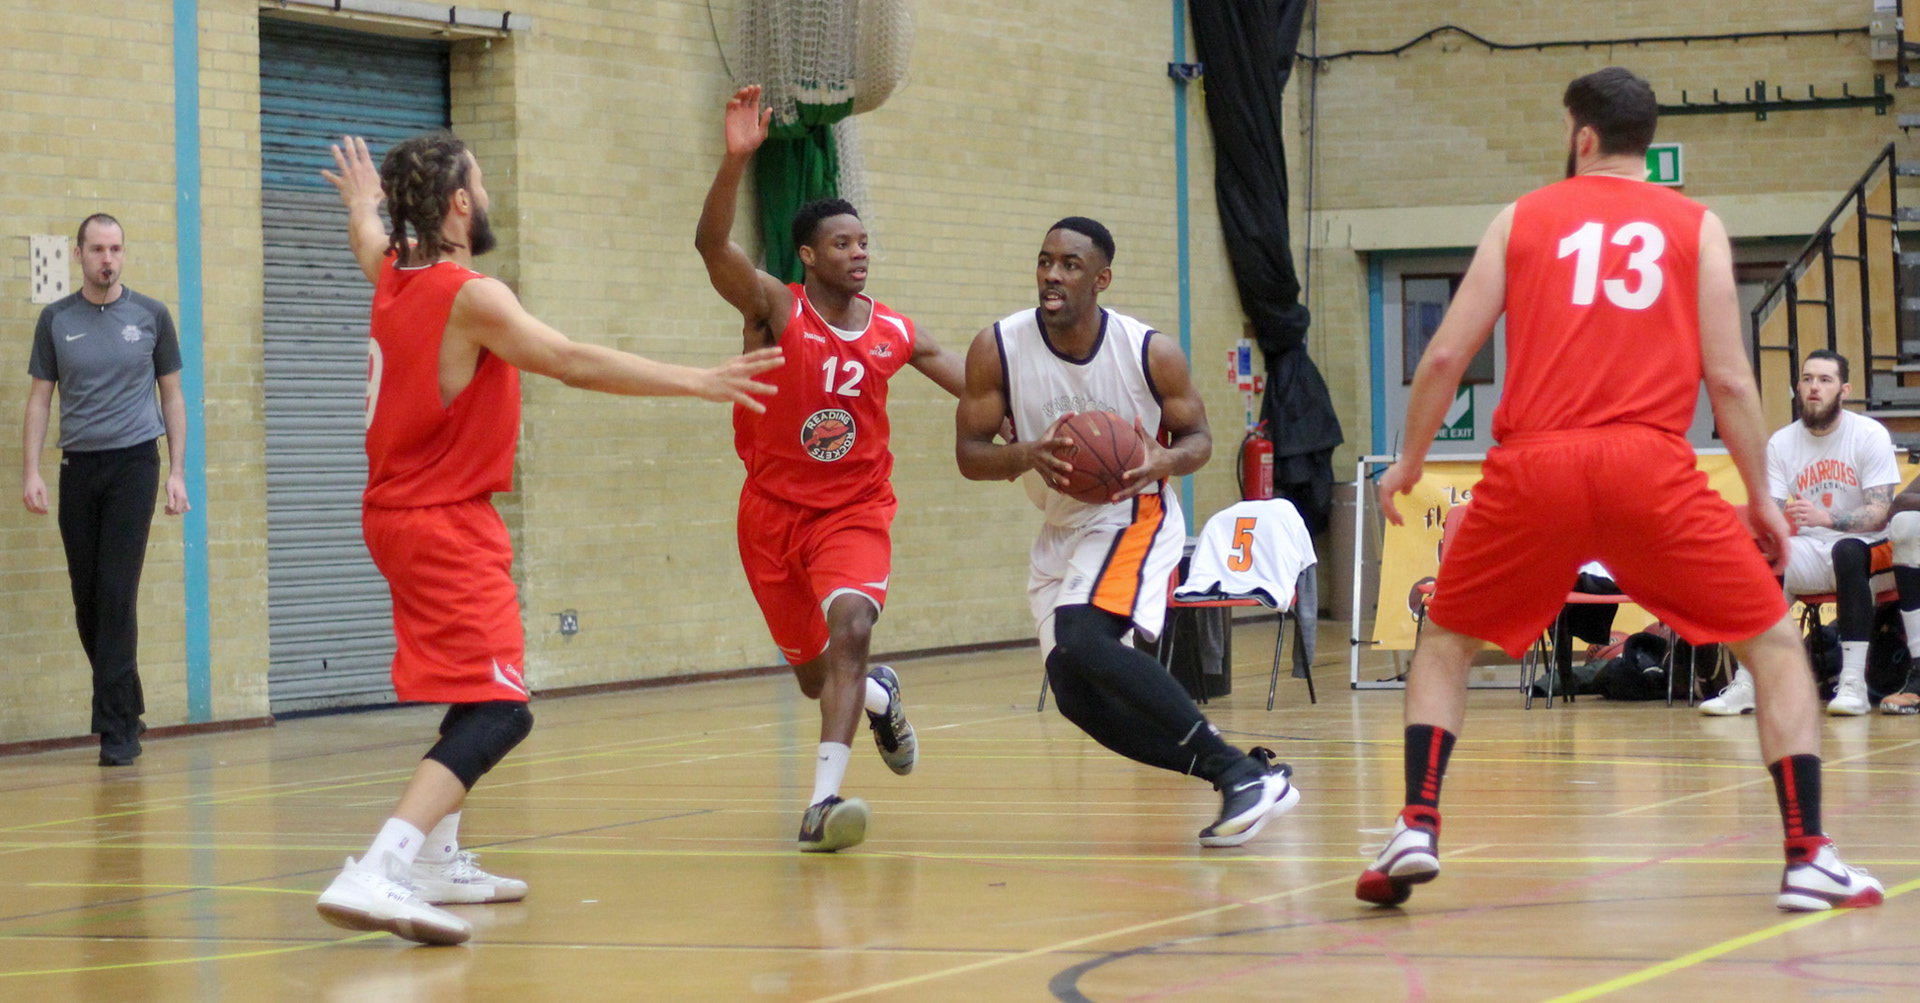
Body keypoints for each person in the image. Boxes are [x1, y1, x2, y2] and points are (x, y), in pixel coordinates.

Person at [1361, 68, 1882, 912]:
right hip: (1649, 465)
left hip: (1535, 465)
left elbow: (1447, 356)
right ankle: (1808, 853)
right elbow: (1731, 379)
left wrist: (1409, 462)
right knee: (1775, 647)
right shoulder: (1697, 226)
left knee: (1447, 642)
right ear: (1646, 138)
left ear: (1582, 135)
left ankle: (1417, 822)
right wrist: (1759, 494)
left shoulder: (1521, 217)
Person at [313, 133, 780, 945]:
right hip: (442, 521)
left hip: (401, 513)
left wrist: (362, 204)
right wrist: (698, 380)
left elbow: (367, 236)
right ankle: (380, 865)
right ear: (461, 203)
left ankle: (435, 860)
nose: (489, 194)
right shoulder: (471, 295)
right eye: (481, 182)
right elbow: (568, 360)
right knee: (502, 710)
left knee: (473, 688)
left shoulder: (393, 271)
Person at [954, 216, 1299, 848]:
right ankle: (1240, 773)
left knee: (1083, 636)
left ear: (1101, 279)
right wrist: (1026, 454)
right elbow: (970, 454)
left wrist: (1166, 460)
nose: (1052, 275)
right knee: (1075, 695)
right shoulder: (997, 347)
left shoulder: (1148, 352)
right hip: (1061, 526)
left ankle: (1237, 774)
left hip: (1134, 510)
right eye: (1045, 261)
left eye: (1070, 265)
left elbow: (1199, 439)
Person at [695, 85, 967, 853]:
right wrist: (735, 161)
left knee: (852, 629)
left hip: (854, 512)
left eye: (864, 241)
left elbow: (978, 386)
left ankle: (822, 802)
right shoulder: (775, 309)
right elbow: (712, 248)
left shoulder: (895, 331)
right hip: (770, 515)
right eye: (843, 243)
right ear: (809, 256)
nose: (859, 252)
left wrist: (1034, 416)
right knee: (819, 677)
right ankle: (877, 697)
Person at [22, 213, 190, 767]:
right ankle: (128, 703)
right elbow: (40, 399)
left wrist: (177, 472)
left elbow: (172, 396)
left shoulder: (151, 316)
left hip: (134, 465)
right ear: (79, 255)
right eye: (97, 249)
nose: (107, 259)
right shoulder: (55, 319)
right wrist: (31, 471)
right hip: (78, 466)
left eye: (115, 249)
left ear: (123, 253)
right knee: (88, 600)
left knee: (117, 594)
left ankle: (117, 732)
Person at [1701, 351, 1900, 717]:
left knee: (1847, 551)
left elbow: (1879, 513)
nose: (1814, 387)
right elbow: (1772, 509)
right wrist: (1765, 529)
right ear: (1798, 387)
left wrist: (1827, 518)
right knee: (1761, 560)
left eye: (1825, 380)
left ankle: (1853, 683)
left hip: (1871, 549)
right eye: (1807, 379)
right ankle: (1748, 682)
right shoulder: (1781, 443)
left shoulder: (1869, 434)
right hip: (1812, 546)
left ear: (1844, 390)